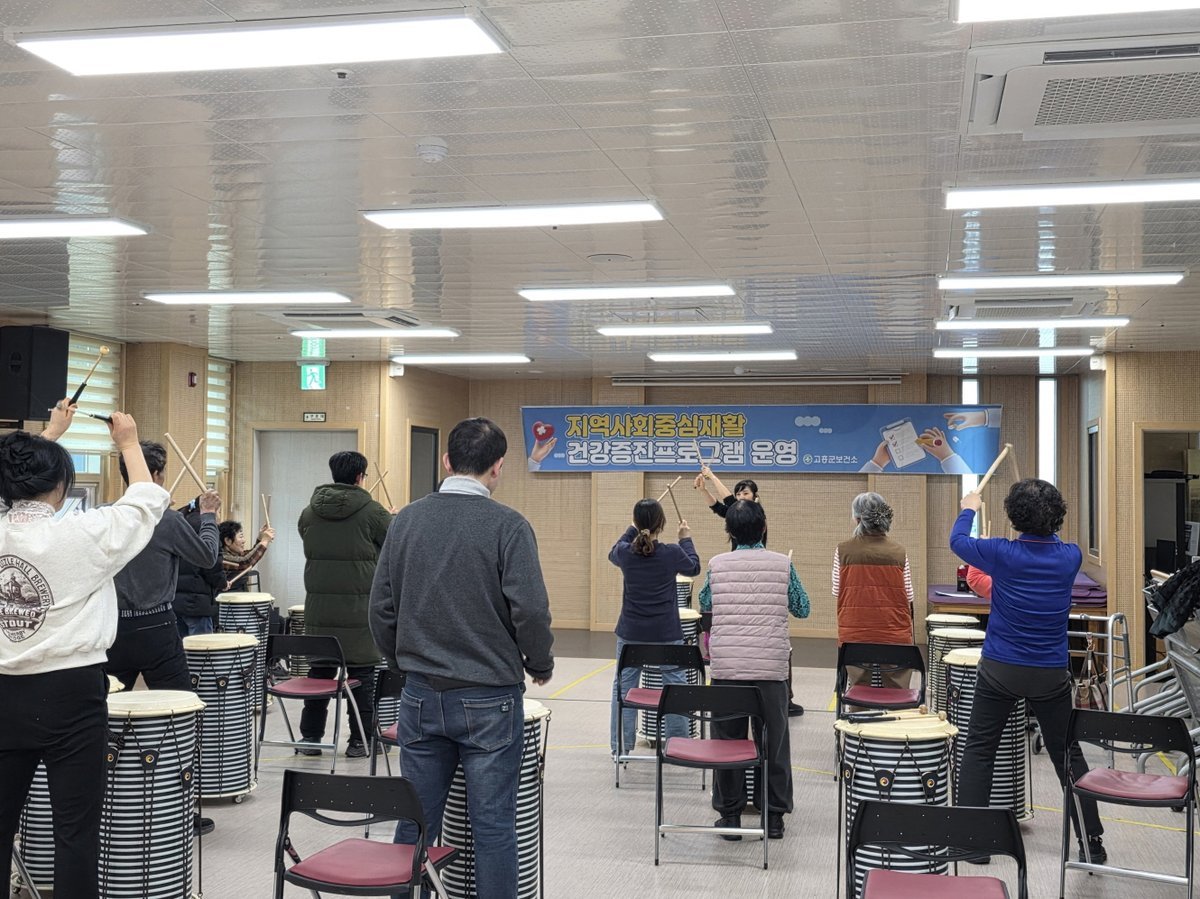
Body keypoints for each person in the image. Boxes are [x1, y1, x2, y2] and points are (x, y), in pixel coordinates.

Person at [370, 417, 554, 899]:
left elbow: (380, 609)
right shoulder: (509, 526)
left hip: (420, 695)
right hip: (490, 697)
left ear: (447, 461)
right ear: (498, 468)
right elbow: (531, 610)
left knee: (415, 823)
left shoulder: (405, 520)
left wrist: (402, 662)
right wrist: (539, 662)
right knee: (492, 826)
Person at [0, 404, 169, 899]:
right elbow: (145, 503)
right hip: (71, 694)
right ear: (61, 485)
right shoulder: (82, 533)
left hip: (3, 693)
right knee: (75, 833)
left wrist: (46, 437)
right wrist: (129, 443)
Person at [951, 480, 1106, 864]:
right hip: (1049, 673)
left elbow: (957, 541)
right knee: (1067, 753)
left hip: (1000, 669)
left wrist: (969, 507)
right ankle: (1091, 843)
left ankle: (972, 844)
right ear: (1057, 516)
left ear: (1013, 516)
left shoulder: (1001, 553)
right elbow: (1049, 544)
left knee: (979, 750)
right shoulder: (1070, 556)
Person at [699, 500, 809, 841]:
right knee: (774, 742)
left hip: (727, 669)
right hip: (770, 671)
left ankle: (730, 815)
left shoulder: (717, 565)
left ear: (729, 532)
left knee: (727, 741)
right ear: (763, 528)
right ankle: (773, 817)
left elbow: (704, 603)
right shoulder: (783, 564)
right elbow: (802, 607)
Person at [297, 450, 391, 758]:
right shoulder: (373, 512)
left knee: (320, 674)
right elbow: (394, 541)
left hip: (320, 613)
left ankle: (310, 739)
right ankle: (361, 741)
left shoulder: (309, 512)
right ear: (360, 477)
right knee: (362, 678)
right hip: (359, 612)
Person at [109, 443, 222, 693]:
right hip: (156, 625)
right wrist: (208, 515)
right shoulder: (168, 520)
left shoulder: (105, 514)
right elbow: (207, 556)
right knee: (177, 703)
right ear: (157, 475)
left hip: (112, 625)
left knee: (110, 701)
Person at [608, 499, 700, 760]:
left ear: (637, 523)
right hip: (666, 633)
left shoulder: (625, 552)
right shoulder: (672, 552)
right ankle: (679, 747)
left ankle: (620, 748)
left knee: (623, 688)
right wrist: (685, 539)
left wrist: (631, 528)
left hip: (631, 633)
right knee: (675, 685)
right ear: (662, 524)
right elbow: (694, 567)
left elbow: (613, 551)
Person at [833, 492, 914, 687]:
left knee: (859, 691)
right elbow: (909, 594)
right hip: (894, 635)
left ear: (857, 518)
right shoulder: (899, 552)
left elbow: (837, 590)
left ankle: (859, 705)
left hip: (854, 638)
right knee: (896, 692)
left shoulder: (843, 550)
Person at [173, 496, 228, 636]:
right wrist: (222, 583)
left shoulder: (180, 522)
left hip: (175, 602)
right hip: (197, 603)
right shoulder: (207, 526)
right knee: (202, 648)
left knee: (182, 646)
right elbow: (212, 564)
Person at [219, 519, 275, 589]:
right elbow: (245, 562)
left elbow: (249, 555)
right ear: (228, 541)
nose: (244, 541)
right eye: (240, 537)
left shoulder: (235, 554)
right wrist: (265, 541)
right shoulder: (223, 557)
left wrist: (260, 538)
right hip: (229, 595)